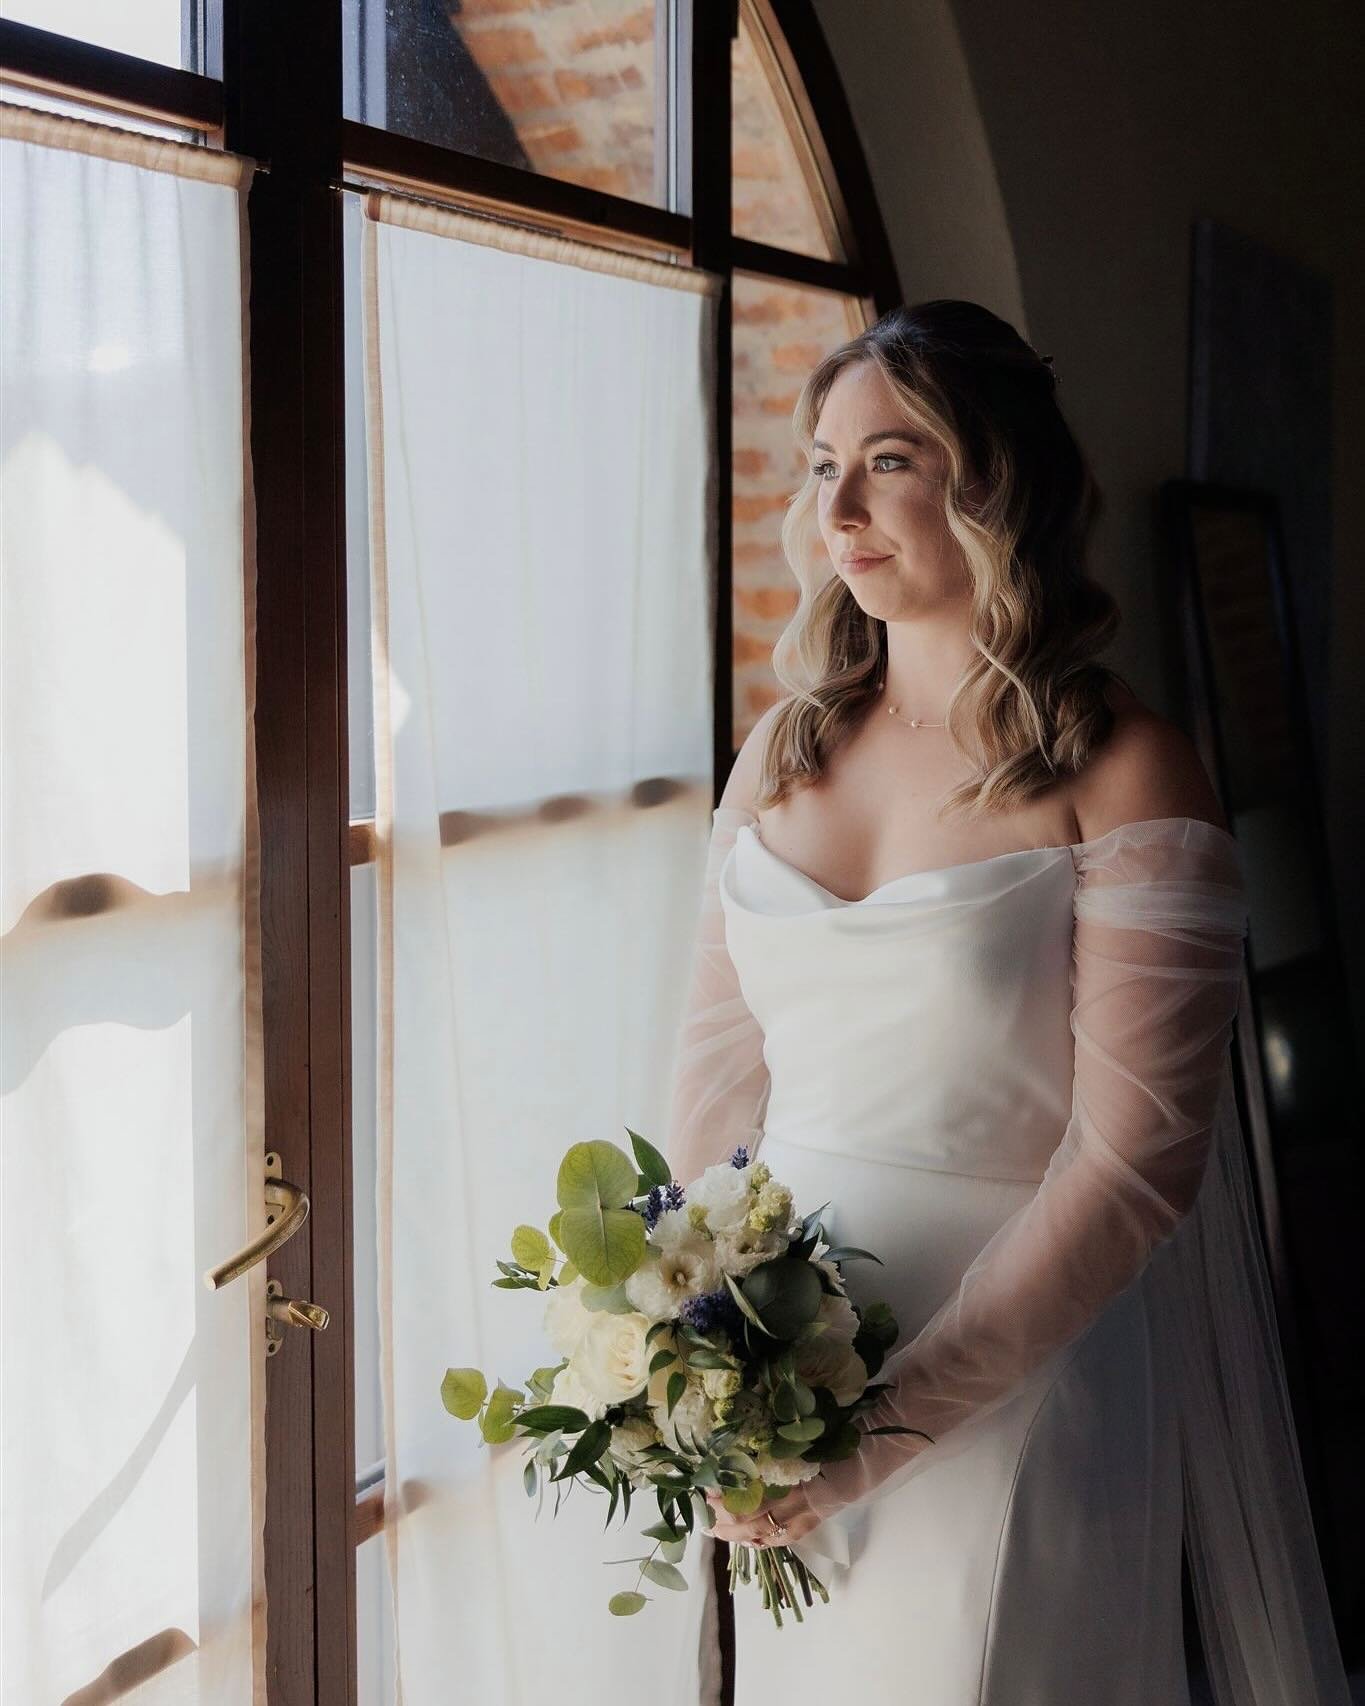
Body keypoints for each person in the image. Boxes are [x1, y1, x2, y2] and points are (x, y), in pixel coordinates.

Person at [664, 302, 1350, 1704]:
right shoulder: (779, 750)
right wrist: (692, 1349)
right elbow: (712, 1081)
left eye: (892, 460)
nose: (840, 505)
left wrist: (887, 1425)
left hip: (1014, 1391)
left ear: (993, 483)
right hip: (780, 1388)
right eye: (819, 465)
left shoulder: (1122, 767)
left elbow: (1134, 1166)